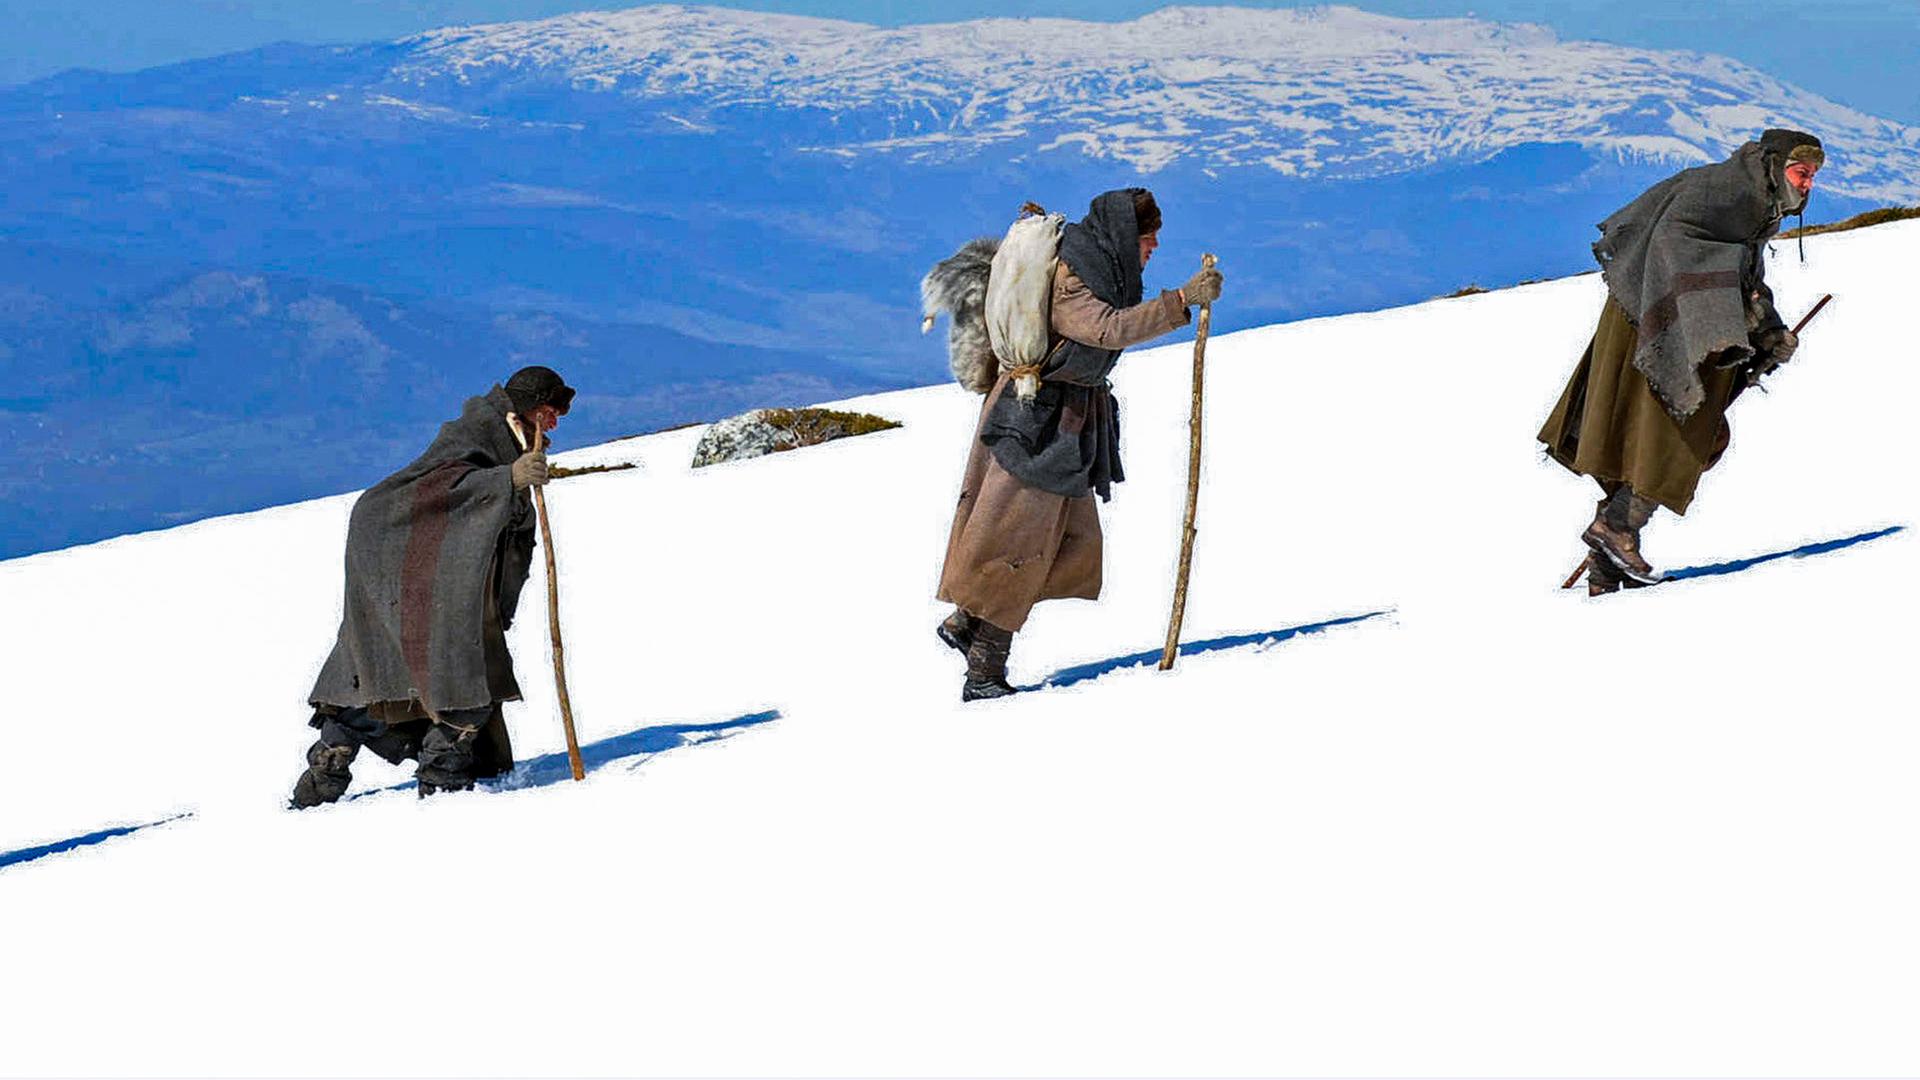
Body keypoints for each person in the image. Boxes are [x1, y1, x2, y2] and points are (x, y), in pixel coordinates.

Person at [936, 188, 1224, 699]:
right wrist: (1180, 301)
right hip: (1036, 423)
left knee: (1048, 537)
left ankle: (967, 623)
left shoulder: (1096, 266)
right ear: (1124, 235)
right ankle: (983, 671)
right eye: (1148, 236)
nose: (1154, 246)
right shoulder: (1074, 276)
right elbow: (1105, 329)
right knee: (1020, 543)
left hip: (1058, 424)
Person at [1537, 129, 1823, 595]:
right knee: (1681, 433)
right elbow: (1682, 245)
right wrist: (1748, 318)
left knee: (1647, 435)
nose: (1807, 184)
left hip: (1667, 321)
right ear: (1775, 165)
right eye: (1800, 172)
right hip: (1660, 326)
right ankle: (1616, 529)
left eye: (1811, 175)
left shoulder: (1752, 202)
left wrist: (1768, 330)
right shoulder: (1728, 192)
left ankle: (1608, 562)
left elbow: (1741, 275)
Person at [289, 365, 574, 806]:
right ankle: (441, 785)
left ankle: (337, 773)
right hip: (416, 583)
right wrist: (506, 480)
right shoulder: (475, 435)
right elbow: (437, 492)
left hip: (449, 587)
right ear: (526, 408)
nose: (553, 423)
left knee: (392, 675)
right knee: (459, 681)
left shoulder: (507, 441)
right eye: (548, 412)